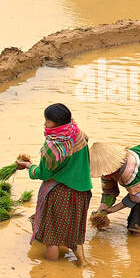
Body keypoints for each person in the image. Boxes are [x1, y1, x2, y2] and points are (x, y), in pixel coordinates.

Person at [14, 102, 91, 265]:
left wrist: (29, 166)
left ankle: (52, 271)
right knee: (75, 232)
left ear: (57, 123)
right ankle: (82, 262)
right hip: (82, 191)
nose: (45, 124)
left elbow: (42, 173)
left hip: (61, 193)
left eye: (47, 121)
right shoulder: (78, 133)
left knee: (52, 237)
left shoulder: (53, 146)